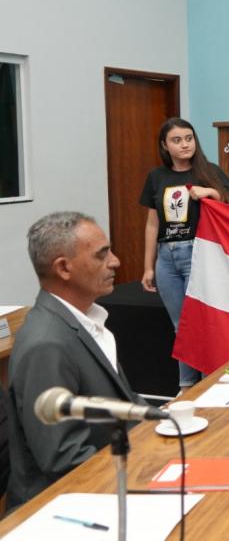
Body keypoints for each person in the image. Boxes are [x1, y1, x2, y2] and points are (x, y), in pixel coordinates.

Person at [6, 212, 146, 509]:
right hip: (62, 508)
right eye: (102, 255)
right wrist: (147, 473)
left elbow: (127, 403)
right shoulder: (47, 344)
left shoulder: (86, 322)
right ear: (63, 268)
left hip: (109, 483)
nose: (115, 262)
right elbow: (64, 458)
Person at [141, 117, 229, 390]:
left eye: (189, 138)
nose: (185, 144)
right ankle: (186, 386)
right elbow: (152, 224)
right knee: (181, 325)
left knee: (202, 322)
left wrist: (212, 193)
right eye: (177, 140)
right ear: (165, 146)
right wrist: (148, 266)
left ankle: (207, 384)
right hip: (166, 258)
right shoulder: (156, 177)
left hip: (198, 254)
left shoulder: (208, 171)